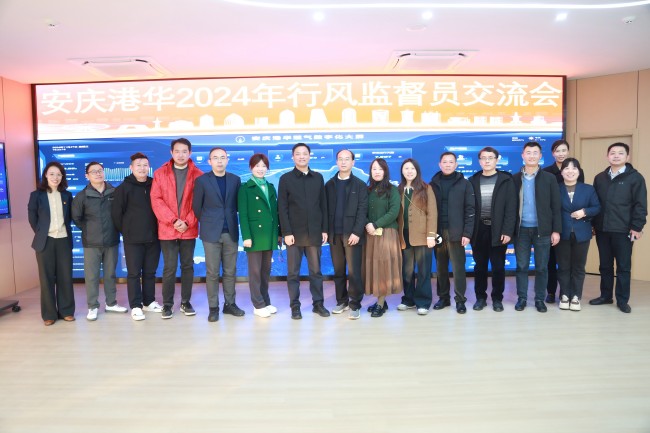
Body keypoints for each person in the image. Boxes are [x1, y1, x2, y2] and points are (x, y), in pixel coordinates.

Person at [591, 142, 647, 313]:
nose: (616, 156)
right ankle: (606, 296)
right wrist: (593, 224)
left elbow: (640, 205)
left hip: (624, 230)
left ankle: (622, 300)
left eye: (620, 153)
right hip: (602, 229)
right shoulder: (600, 178)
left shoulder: (635, 178)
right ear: (607, 156)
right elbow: (594, 203)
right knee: (605, 265)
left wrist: (637, 227)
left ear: (627, 157)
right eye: (613, 153)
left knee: (623, 267)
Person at [151, 138, 203, 319]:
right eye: (177, 151)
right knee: (169, 267)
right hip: (167, 229)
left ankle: (185, 302)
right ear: (171, 153)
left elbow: (199, 202)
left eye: (184, 151)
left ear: (190, 153)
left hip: (189, 228)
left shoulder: (198, 175)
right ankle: (167, 304)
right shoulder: (160, 173)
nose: (181, 155)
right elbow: (156, 200)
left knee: (187, 266)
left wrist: (187, 222)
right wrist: (173, 220)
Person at [278, 143, 330, 320]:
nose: (301, 156)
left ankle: (318, 304)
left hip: (314, 233)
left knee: (316, 272)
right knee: (293, 273)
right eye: (298, 154)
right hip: (294, 235)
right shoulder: (286, 179)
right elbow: (282, 208)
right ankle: (295, 306)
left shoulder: (318, 178)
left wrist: (324, 229)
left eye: (305, 153)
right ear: (293, 157)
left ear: (309, 156)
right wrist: (286, 232)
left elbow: (323, 205)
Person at [111, 152, 164, 321]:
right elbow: (116, 214)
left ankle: (149, 302)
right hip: (132, 239)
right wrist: (127, 231)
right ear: (131, 168)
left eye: (145, 165)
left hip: (154, 237)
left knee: (150, 272)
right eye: (138, 165)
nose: (142, 168)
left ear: (149, 167)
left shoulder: (155, 185)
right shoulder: (123, 188)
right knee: (134, 273)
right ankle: (135, 305)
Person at [72, 162, 127, 321]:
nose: (98, 174)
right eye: (93, 171)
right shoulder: (82, 196)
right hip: (91, 242)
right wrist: (89, 229)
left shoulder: (115, 192)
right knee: (92, 276)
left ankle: (111, 303)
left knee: (110, 274)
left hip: (112, 240)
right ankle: (93, 306)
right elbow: (76, 218)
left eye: (100, 171)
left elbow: (121, 213)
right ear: (87, 176)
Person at [193, 147, 242, 322]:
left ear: (227, 160)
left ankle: (230, 304)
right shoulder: (202, 181)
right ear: (209, 161)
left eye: (222, 157)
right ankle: (213, 308)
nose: (219, 161)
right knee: (212, 273)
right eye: (215, 158)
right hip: (211, 233)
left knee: (230, 271)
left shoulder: (235, 180)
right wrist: (210, 221)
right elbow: (197, 207)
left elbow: (237, 205)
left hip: (231, 231)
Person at [512, 141, 561, 313]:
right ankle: (522, 298)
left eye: (535, 153)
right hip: (521, 231)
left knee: (541, 267)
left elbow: (556, 206)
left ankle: (540, 299)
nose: (531, 156)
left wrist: (556, 230)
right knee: (522, 267)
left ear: (540, 156)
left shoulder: (549, 178)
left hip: (543, 230)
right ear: (522, 155)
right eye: (528, 152)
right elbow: (510, 207)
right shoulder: (515, 178)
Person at [469, 147, 516, 312]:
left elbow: (511, 208)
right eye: (483, 158)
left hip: (498, 230)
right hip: (479, 229)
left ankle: (497, 299)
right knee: (479, 267)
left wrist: (507, 231)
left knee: (498, 267)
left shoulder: (506, 180)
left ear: (497, 159)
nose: (487, 161)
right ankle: (480, 298)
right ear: (479, 161)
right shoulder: (473, 180)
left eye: (490, 157)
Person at [28, 162, 75, 325]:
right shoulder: (36, 195)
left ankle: (66, 311)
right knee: (46, 278)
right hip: (45, 242)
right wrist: (42, 233)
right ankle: (49, 315)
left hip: (63, 240)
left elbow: (69, 218)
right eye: (52, 174)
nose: (56, 177)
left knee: (65, 277)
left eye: (59, 174)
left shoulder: (67, 195)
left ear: (62, 177)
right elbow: (32, 218)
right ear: (46, 175)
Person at [429, 152, 475, 314]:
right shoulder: (433, 184)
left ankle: (460, 300)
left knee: (458, 269)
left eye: (451, 162)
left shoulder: (465, 184)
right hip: (438, 233)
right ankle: (443, 298)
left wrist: (467, 233)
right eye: (445, 162)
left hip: (457, 233)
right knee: (441, 268)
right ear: (439, 164)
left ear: (456, 164)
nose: (447, 165)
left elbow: (470, 210)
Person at [325, 149, 368, 320]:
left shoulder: (360, 185)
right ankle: (341, 301)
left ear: (353, 162)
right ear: (336, 162)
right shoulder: (329, 185)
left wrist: (357, 232)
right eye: (340, 159)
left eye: (347, 159)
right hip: (334, 235)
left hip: (352, 235)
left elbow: (362, 211)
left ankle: (355, 304)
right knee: (338, 270)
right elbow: (325, 209)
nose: (343, 162)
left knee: (354, 272)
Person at [238, 153, 280, 319]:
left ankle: (266, 301)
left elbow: (275, 213)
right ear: (251, 168)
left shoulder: (270, 186)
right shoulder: (245, 188)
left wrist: (277, 234)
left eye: (263, 166)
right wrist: (246, 236)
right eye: (257, 166)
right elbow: (243, 215)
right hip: (254, 235)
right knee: (255, 272)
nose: (260, 169)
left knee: (265, 271)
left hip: (269, 234)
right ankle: (258, 304)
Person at [543, 139, 585, 304]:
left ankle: (566, 293)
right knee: (551, 260)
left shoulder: (577, 171)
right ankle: (551, 291)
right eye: (557, 150)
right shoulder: (546, 171)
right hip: (553, 221)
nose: (561, 153)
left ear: (568, 151)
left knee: (568, 262)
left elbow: (581, 197)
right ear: (552, 153)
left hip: (572, 223)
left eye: (563, 150)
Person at [555, 158, 600, 312]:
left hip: (582, 233)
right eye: (566, 168)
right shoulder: (556, 188)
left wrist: (585, 212)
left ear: (579, 171)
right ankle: (564, 295)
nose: (570, 171)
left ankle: (576, 296)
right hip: (562, 233)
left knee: (579, 267)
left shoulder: (588, 189)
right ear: (561, 172)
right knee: (563, 266)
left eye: (574, 168)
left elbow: (597, 207)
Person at [396, 158, 438, 315]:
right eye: (406, 168)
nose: (409, 171)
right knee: (406, 271)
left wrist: (431, 235)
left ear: (417, 171)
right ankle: (408, 299)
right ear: (402, 171)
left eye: (412, 168)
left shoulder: (426, 188)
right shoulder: (398, 189)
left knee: (423, 271)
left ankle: (423, 302)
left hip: (423, 237)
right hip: (404, 236)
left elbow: (432, 213)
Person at [364, 158, 402, 318]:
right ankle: (381, 301)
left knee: (383, 268)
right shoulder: (367, 190)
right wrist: (368, 224)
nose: (377, 172)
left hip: (386, 233)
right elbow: (361, 209)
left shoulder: (392, 190)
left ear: (385, 171)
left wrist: (376, 224)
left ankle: (380, 303)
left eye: (380, 169)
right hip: (370, 234)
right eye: (374, 169)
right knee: (374, 268)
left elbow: (394, 211)